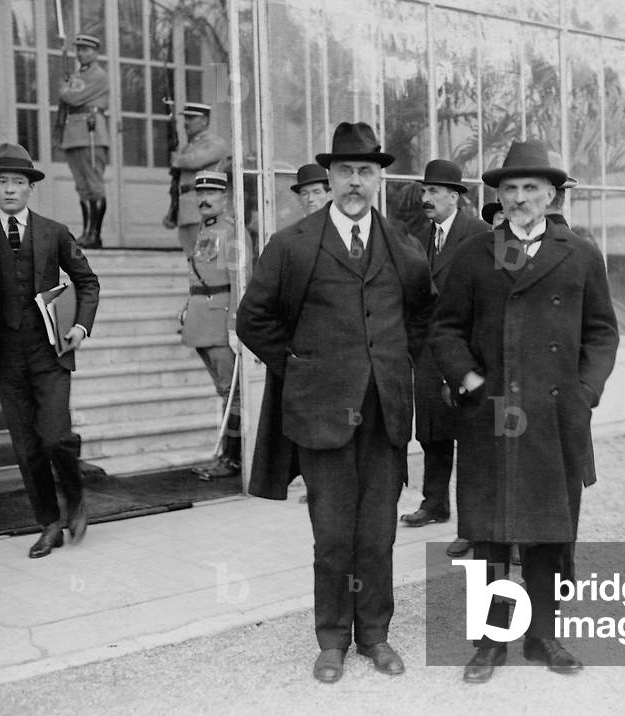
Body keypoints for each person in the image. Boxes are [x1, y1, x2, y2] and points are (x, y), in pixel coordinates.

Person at [236, 122, 435, 684]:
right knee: (332, 533)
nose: (355, 181)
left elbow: (422, 317)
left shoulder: (404, 246)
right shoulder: (294, 244)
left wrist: (397, 366)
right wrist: (301, 369)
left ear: (379, 179)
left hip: (384, 416)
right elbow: (254, 319)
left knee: (378, 532)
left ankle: (375, 635)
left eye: (365, 171)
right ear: (329, 176)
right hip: (322, 416)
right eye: (345, 171)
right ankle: (331, 639)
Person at [429, 140, 619, 683]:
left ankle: (543, 637)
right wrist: (467, 378)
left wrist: (584, 392)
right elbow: (445, 329)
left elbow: (602, 333)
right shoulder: (473, 255)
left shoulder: (581, 254)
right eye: (509, 189)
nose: (518, 198)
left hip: (556, 417)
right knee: (488, 533)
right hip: (490, 416)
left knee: (549, 530)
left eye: (530, 188)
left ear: (552, 194)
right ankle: (489, 642)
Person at [0, 144, 100, 558]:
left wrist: (81, 326)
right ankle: (49, 523)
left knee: (55, 438)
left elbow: (87, 282)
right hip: (6, 356)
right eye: (2, 182)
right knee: (26, 446)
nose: (10, 189)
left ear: (30, 189)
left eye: (18, 182)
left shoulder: (54, 232)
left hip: (49, 352)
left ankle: (75, 499)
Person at [400, 159, 488, 561]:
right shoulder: (418, 235)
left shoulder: (481, 234)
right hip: (426, 351)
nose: (426, 198)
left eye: (434, 192)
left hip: (465, 354)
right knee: (433, 431)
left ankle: (472, 526)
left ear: (454, 197)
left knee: (470, 440)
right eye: (424, 191)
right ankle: (435, 503)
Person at [182, 171, 247, 480]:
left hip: (221, 320)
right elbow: (199, 275)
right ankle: (226, 455)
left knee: (231, 393)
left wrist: (235, 325)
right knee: (223, 390)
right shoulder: (204, 230)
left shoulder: (233, 232)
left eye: (212, 194)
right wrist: (187, 309)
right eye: (200, 193)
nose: (204, 199)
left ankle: (232, 460)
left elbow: (239, 281)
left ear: (226, 198)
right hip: (202, 318)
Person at [57, 34, 110, 249]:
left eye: (86, 49)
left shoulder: (98, 75)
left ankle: (95, 235)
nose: (81, 53)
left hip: (91, 132)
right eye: (78, 49)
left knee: (94, 185)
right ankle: (87, 232)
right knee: (82, 186)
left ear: (96, 52)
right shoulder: (79, 75)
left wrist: (63, 88)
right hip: (74, 134)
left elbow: (72, 98)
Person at [164, 102, 230, 257]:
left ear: (205, 120)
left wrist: (177, 160)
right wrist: (171, 212)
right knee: (192, 257)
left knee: (207, 258)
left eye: (192, 118)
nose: (186, 122)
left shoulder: (215, 143)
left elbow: (195, 161)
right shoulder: (187, 147)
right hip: (186, 210)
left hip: (203, 207)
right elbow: (177, 184)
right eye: (185, 117)